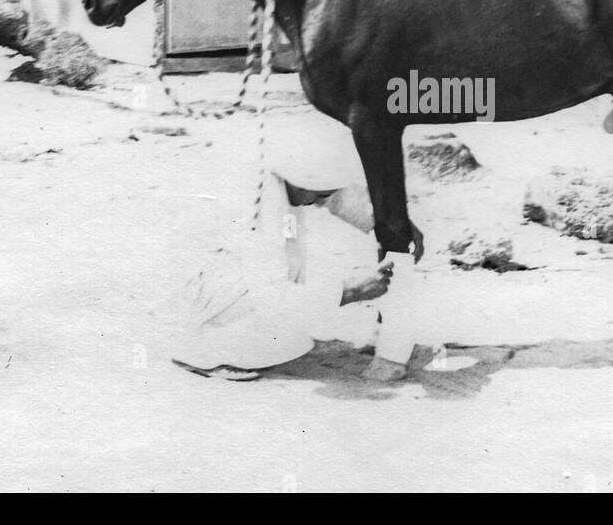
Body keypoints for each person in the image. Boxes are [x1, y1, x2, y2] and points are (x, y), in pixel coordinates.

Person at [165, 107, 432, 381]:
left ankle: (219, 341)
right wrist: (350, 291)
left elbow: (338, 195)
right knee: (292, 340)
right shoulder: (259, 209)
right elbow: (274, 297)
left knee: (301, 320)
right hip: (206, 303)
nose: (320, 203)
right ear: (297, 179)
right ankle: (207, 353)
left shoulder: (287, 176)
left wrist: (393, 220)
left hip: (229, 289)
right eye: (318, 195)